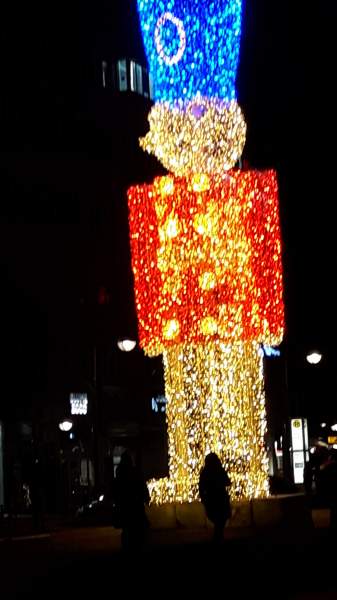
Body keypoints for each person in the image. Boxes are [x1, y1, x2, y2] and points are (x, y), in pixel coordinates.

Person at [114, 451, 150, 552]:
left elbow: (117, 489)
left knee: (128, 529)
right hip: (134, 504)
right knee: (137, 528)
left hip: (126, 505)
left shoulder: (121, 472)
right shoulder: (134, 472)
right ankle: (137, 545)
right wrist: (146, 498)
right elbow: (142, 486)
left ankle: (129, 546)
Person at [199, 452, 231, 544]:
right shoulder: (218, 470)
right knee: (220, 520)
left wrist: (203, 498)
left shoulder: (206, 471)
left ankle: (218, 537)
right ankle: (218, 537)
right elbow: (227, 481)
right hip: (219, 498)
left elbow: (201, 486)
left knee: (218, 520)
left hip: (212, 499)